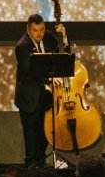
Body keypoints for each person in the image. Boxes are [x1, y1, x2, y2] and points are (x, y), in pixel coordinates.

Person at [13, 14, 67, 167]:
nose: (39, 33)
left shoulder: (49, 37)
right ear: (28, 29)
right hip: (29, 97)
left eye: (42, 29)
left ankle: (40, 162)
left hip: (46, 97)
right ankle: (31, 165)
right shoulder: (22, 46)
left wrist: (64, 37)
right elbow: (30, 70)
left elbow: (63, 54)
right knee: (31, 136)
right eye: (35, 30)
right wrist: (50, 78)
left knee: (45, 133)